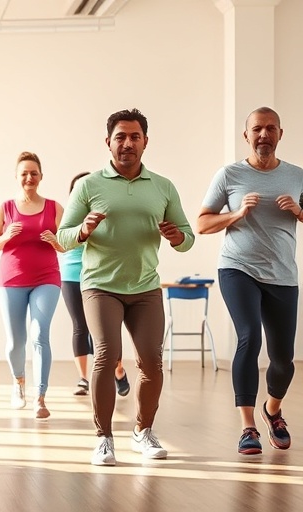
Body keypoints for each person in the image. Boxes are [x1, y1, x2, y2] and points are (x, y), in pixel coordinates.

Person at [56, 108, 194, 466]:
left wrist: (178, 236)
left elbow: (188, 237)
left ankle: (142, 430)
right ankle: (103, 438)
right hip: (100, 285)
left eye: (134, 137)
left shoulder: (163, 186)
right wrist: (83, 230)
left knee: (151, 360)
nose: (127, 143)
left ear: (145, 142)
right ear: (108, 142)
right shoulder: (89, 185)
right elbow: (63, 236)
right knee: (106, 353)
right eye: (120, 137)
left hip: (145, 286)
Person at [197, 106, 302, 455]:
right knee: (248, 336)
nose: (263, 135)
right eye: (257, 129)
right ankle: (247, 427)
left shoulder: (297, 176)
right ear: (247, 135)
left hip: (283, 275)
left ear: (280, 134)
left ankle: (272, 410)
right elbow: (202, 223)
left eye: (270, 128)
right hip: (237, 268)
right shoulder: (229, 175)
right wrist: (237, 213)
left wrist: (299, 212)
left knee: (283, 358)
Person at [0, 152, 62, 419]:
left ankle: (40, 397)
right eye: (24, 173)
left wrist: (56, 241)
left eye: (34, 173)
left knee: (40, 334)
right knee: (16, 340)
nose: (29, 177)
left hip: (47, 278)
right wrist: (6, 237)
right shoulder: (6, 208)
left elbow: (67, 245)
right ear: (17, 177)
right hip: (11, 281)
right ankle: (18, 382)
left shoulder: (55, 208)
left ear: (41, 176)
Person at [61, 173, 130, 398]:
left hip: (101, 275)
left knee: (105, 329)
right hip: (72, 274)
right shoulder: (68, 216)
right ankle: (83, 378)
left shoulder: (103, 210)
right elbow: (61, 240)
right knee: (80, 326)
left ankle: (117, 369)